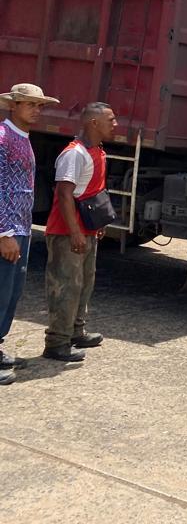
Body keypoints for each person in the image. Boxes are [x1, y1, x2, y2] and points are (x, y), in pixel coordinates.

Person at [43, 102, 117, 362]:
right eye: (110, 119)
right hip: (67, 232)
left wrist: (97, 224)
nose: (115, 124)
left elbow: (93, 191)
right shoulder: (74, 154)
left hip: (86, 229)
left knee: (84, 283)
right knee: (66, 286)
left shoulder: (97, 150)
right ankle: (57, 342)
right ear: (93, 123)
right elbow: (64, 194)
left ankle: (75, 331)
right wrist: (74, 232)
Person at [0, 84, 60, 383]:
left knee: (11, 293)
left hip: (22, 227)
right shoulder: (2, 138)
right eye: (29, 104)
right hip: (8, 230)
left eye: (39, 105)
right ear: (13, 105)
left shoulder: (22, 137)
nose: (36, 110)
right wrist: (4, 233)